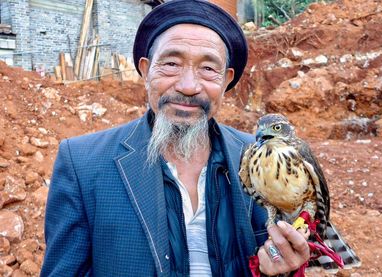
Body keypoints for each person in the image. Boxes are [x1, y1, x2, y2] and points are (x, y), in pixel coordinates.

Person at [41, 0, 309, 276]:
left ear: (226, 80)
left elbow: (278, 247)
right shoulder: (83, 163)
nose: (188, 86)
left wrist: (282, 268)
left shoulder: (256, 159)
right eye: (171, 64)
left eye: (207, 69)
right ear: (145, 70)